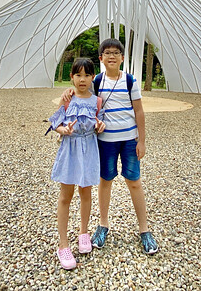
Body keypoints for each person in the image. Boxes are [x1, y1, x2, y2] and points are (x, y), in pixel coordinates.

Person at [61, 38, 159, 255]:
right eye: (107, 53)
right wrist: (68, 92)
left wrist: (142, 140)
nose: (111, 56)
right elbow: (82, 92)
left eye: (116, 53)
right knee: (105, 181)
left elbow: (139, 111)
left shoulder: (130, 81)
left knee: (134, 182)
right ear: (101, 58)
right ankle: (103, 225)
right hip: (105, 140)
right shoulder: (97, 81)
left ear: (122, 58)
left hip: (129, 139)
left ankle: (144, 229)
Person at [48, 57, 106, 270]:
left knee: (85, 193)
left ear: (93, 77)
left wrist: (100, 126)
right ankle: (63, 244)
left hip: (88, 149)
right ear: (71, 77)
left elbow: (101, 122)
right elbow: (55, 123)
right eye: (78, 75)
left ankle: (83, 232)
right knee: (66, 195)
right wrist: (63, 130)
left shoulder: (97, 101)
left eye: (87, 75)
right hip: (70, 149)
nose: (82, 79)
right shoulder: (67, 99)